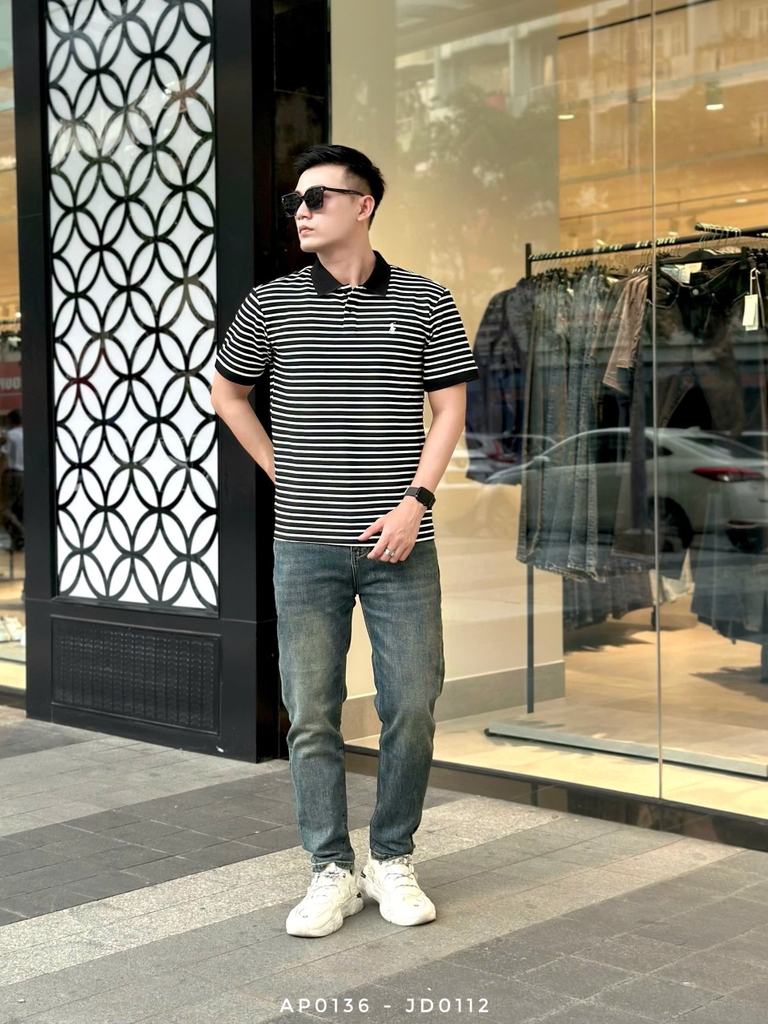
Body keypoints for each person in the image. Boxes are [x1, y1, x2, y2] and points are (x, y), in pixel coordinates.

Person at [211, 144, 478, 938]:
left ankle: (392, 856)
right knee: (312, 714)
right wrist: (281, 468)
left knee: (412, 705)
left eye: (318, 197)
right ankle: (331, 868)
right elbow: (228, 393)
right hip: (304, 546)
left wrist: (416, 502)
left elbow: (450, 411)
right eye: (295, 199)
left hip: (401, 544)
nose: (301, 211)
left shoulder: (425, 300)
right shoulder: (271, 304)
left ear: (364, 204)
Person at [0, 408, 24, 552]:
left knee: (3, 510)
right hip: (24, 475)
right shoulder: (26, 435)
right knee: (18, 510)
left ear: (10, 420)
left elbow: (4, 456)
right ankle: (18, 542)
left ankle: (22, 534)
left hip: (11, 475)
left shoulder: (10, 435)